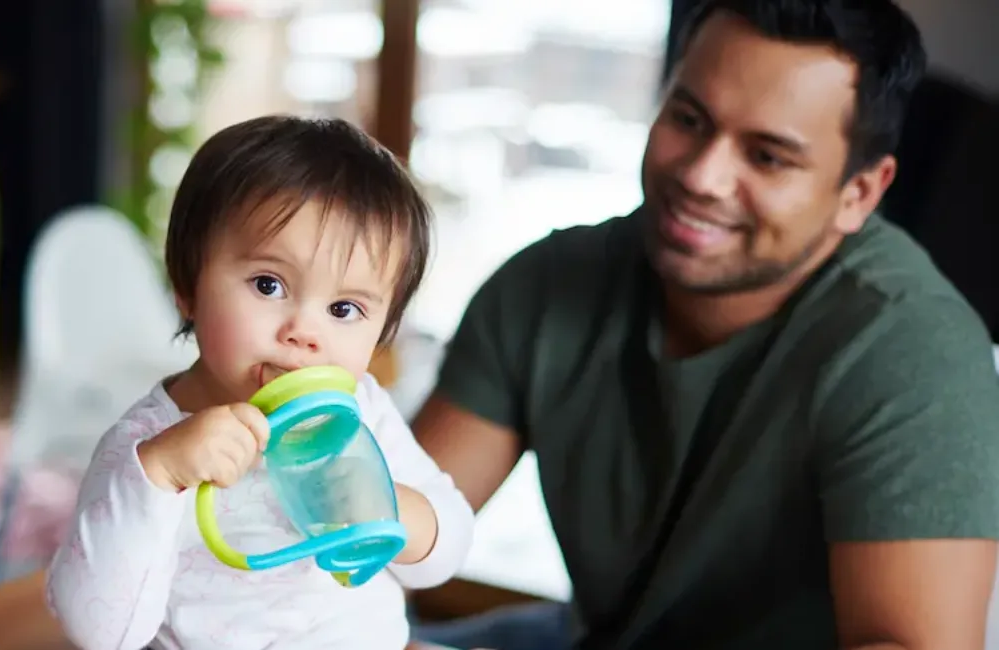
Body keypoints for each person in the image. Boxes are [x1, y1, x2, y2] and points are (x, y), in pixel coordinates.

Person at [410, 0, 999, 648]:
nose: (701, 175)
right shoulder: (549, 283)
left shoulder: (915, 355)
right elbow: (382, 538)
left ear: (859, 194)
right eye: (689, 119)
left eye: (768, 156)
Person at [46, 115, 476, 650]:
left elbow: (444, 554)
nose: (304, 332)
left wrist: (392, 511)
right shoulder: (147, 445)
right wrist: (160, 475)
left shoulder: (360, 411)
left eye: (345, 308)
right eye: (268, 284)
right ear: (186, 286)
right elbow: (98, 633)